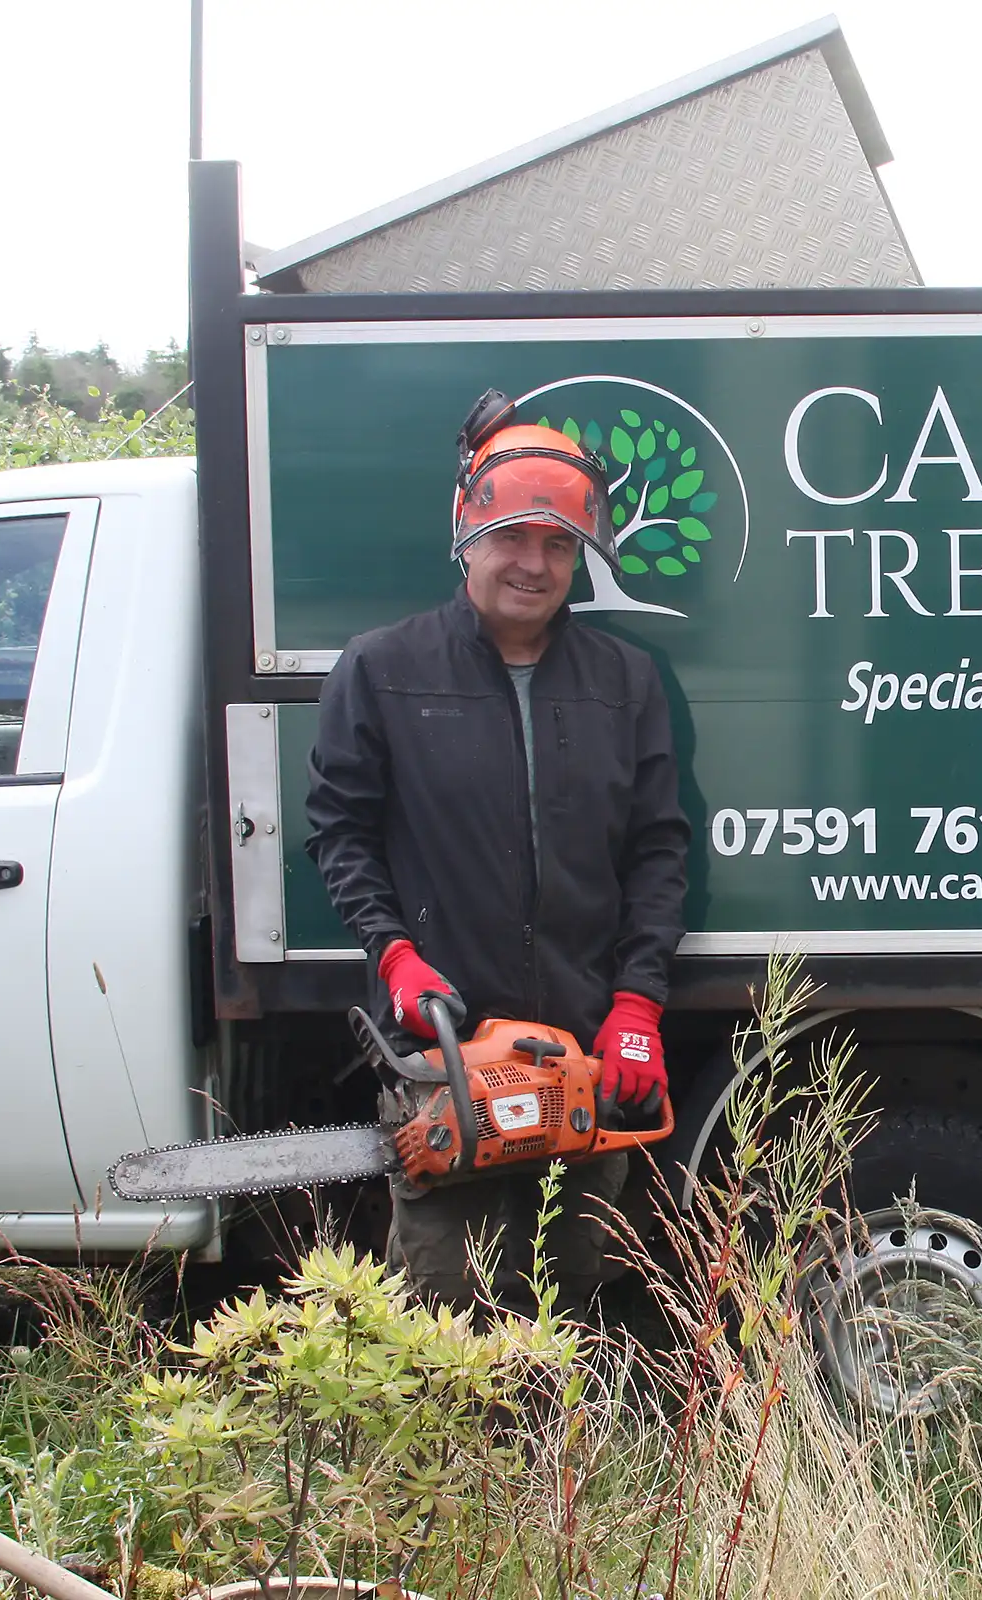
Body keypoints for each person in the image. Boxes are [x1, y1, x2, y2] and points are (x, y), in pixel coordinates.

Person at [306, 389, 690, 1321]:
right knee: (444, 1300)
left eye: (559, 545)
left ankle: (561, 1464)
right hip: (445, 1048)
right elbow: (340, 831)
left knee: (574, 1293)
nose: (535, 563)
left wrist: (637, 1002)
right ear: (469, 537)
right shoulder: (382, 668)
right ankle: (454, 1468)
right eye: (516, 537)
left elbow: (657, 849)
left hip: (585, 1046)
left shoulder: (624, 681)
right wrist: (396, 957)